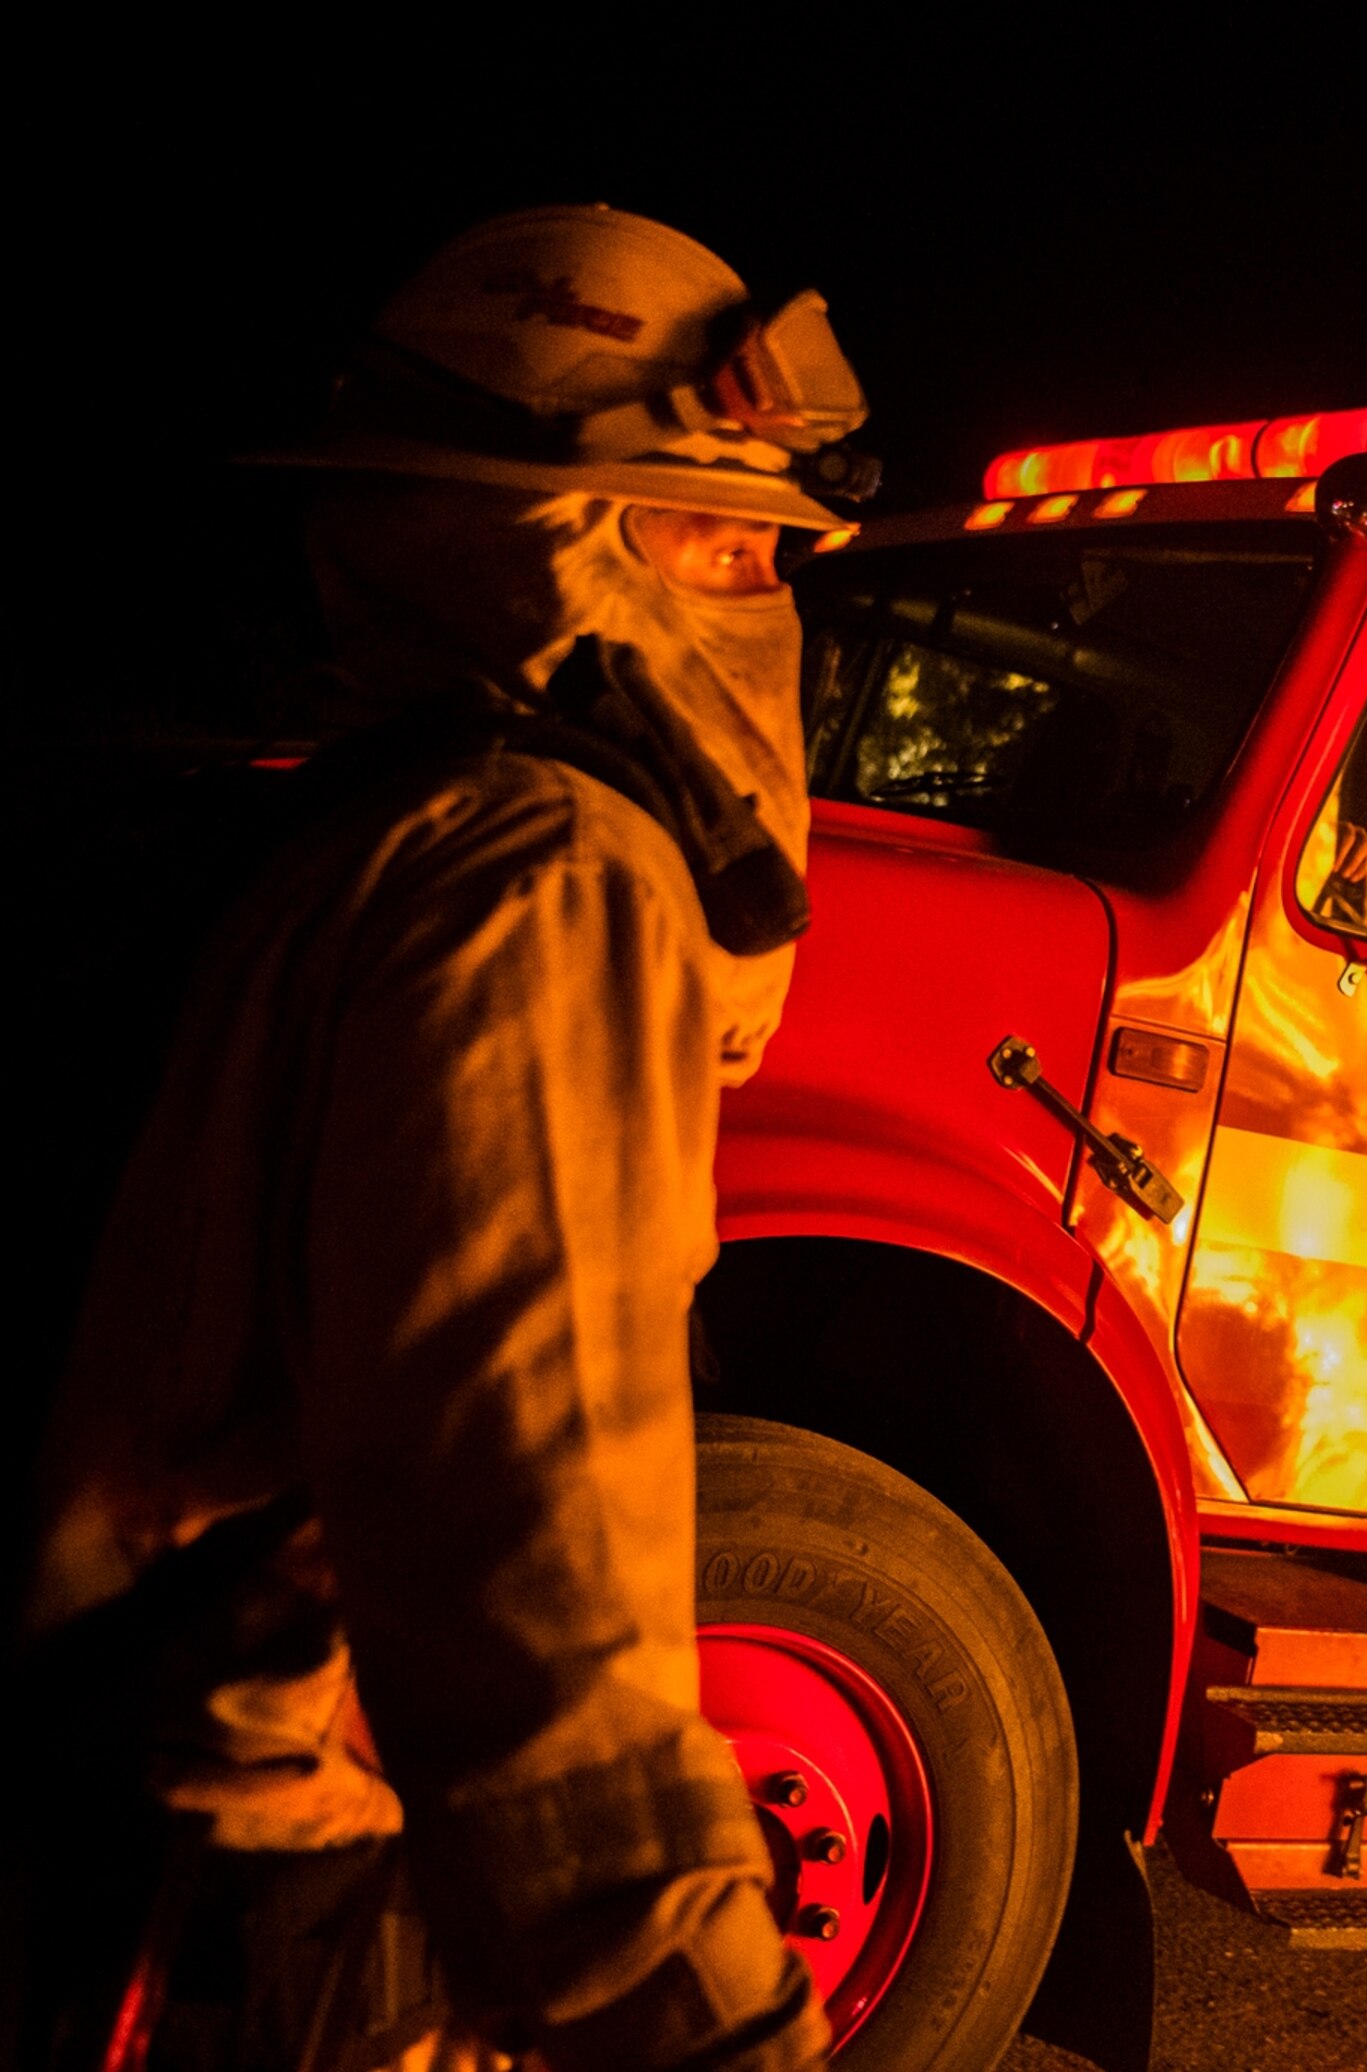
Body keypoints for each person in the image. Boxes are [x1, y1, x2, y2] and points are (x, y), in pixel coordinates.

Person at [21, 205, 865, 2070]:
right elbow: (519, 1538)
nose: (757, 590)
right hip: (221, 1921)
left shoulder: (328, 825)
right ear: (555, 544)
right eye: (720, 532)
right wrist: (700, 2020)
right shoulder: (542, 877)